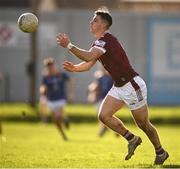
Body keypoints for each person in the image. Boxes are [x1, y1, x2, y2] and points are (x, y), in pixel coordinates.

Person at [56, 7, 169, 164]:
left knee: (143, 123)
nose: (91, 22)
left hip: (132, 85)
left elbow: (89, 56)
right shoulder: (99, 42)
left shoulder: (106, 40)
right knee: (103, 116)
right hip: (119, 87)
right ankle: (132, 138)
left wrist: (69, 45)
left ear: (103, 24)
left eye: (94, 20)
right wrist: (75, 68)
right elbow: (89, 63)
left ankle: (160, 152)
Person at [39, 57, 74, 141]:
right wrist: (42, 91)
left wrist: (71, 93)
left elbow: (71, 81)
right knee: (56, 121)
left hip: (61, 98)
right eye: (48, 66)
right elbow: (42, 87)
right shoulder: (46, 77)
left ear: (54, 66)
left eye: (51, 66)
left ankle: (64, 118)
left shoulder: (61, 74)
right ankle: (63, 134)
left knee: (58, 116)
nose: (50, 68)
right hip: (51, 100)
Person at [87, 68, 113, 137]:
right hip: (100, 98)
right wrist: (93, 95)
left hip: (108, 98)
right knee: (100, 115)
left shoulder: (111, 78)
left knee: (107, 115)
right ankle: (104, 128)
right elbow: (95, 87)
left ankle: (110, 129)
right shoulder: (100, 78)